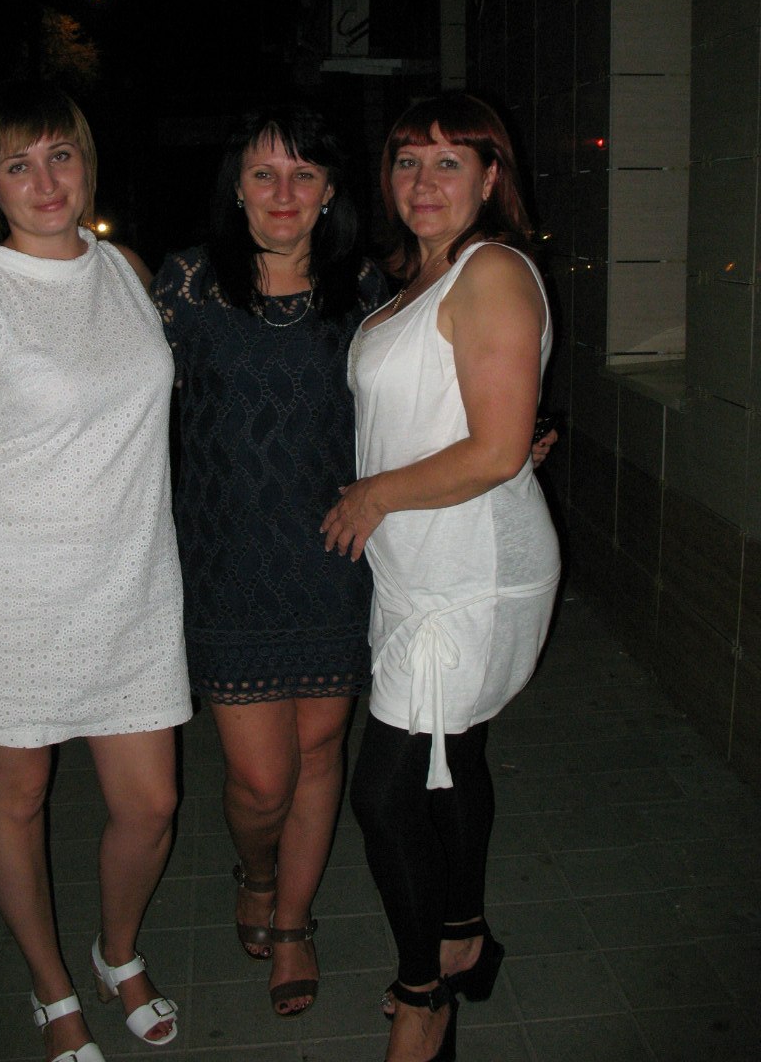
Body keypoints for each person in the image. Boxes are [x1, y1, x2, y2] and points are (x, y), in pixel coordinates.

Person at [0, 80, 191, 1061]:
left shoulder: (125, 270)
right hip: (10, 598)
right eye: (17, 164)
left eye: (60, 154)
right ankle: (51, 987)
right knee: (16, 799)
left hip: (130, 590)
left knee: (151, 805)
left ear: (86, 162)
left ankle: (117, 949)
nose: (45, 180)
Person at [321, 92, 561, 1062]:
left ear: (491, 178)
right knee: (452, 757)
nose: (423, 180)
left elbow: (497, 449)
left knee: (385, 793)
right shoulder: (417, 276)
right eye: (408, 160)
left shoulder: (491, 269)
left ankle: (424, 991)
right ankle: (462, 932)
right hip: (418, 568)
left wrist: (372, 493)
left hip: (471, 570)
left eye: (450, 161)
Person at [149, 106, 390, 1017]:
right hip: (224, 559)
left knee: (320, 750)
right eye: (263, 174)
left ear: (330, 192)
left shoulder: (364, 288)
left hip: (333, 554)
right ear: (238, 189)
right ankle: (255, 869)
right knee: (260, 779)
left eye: (303, 174)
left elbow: (415, 400)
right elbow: (126, 401)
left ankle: (292, 919)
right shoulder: (189, 283)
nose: (283, 192)